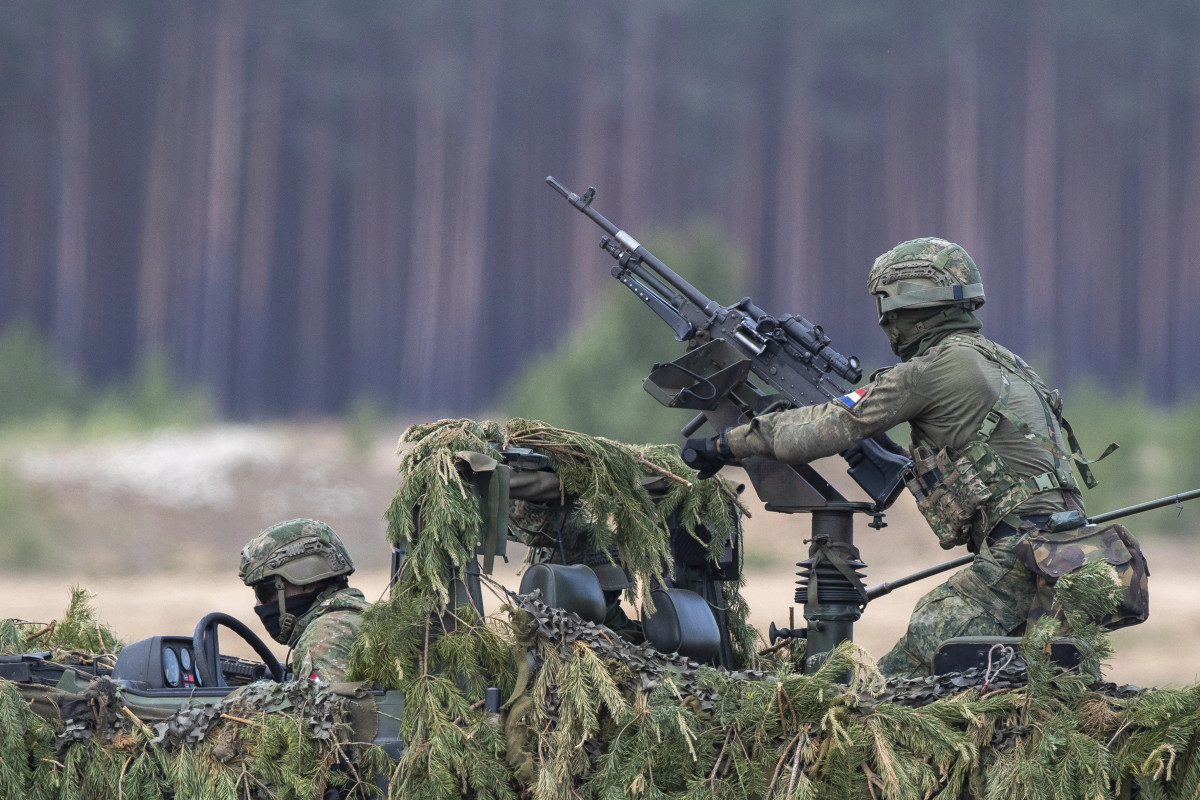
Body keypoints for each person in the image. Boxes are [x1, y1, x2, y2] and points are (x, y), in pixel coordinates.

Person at [684, 237, 1110, 678]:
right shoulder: (1006, 361)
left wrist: (726, 444)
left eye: (886, 308)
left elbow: (830, 425)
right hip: (1068, 551)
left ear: (906, 307)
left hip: (1021, 553)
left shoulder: (932, 370)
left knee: (920, 652)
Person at [239, 518, 371, 681]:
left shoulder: (327, 633)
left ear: (308, 583)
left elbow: (326, 705)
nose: (258, 604)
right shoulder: (352, 619)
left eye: (265, 591)